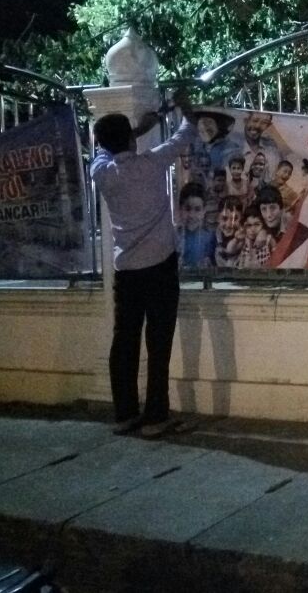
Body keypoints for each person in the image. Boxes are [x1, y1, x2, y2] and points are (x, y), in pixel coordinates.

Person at [90, 92, 196, 438]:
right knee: (158, 343)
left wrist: (137, 129)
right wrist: (186, 106)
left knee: (124, 341)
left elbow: (108, 149)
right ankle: (155, 417)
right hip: (160, 266)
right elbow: (186, 133)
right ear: (131, 140)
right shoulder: (151, 163)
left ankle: (125, 414)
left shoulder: (102, 172)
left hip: (126, 270)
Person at [177, 182, 215, 268]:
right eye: (187, 209)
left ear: (204, 211)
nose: (192, 215)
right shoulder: (174, 237)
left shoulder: (210, 237)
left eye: (197, 209)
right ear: (180, 209)